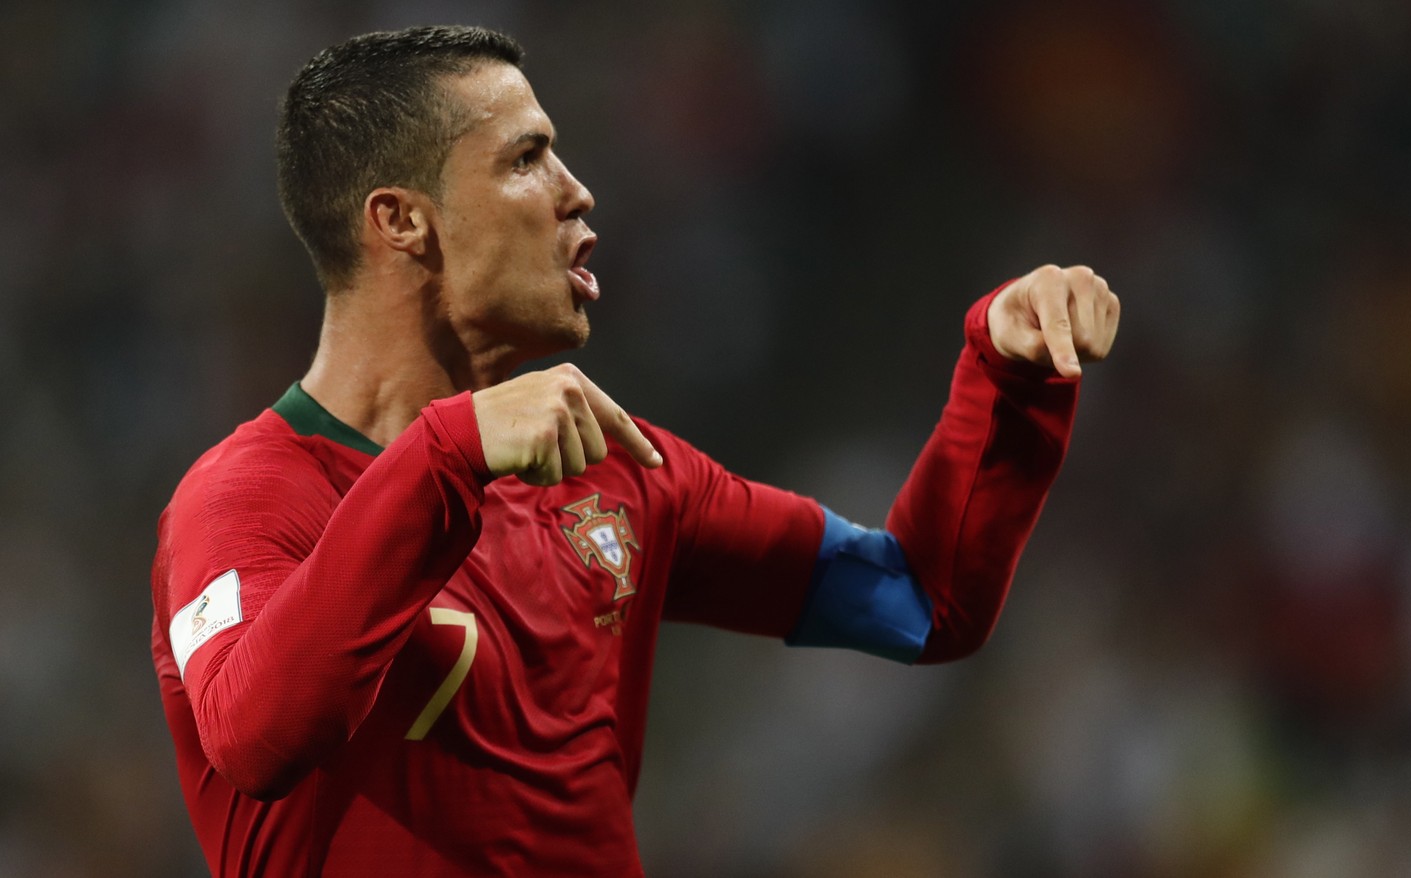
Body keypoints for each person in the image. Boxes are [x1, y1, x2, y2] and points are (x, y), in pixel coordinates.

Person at [149, 24, 1120, 878]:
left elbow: (919, 598)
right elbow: (256, 732)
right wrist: (446, 453)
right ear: (402, 220)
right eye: (528, 158)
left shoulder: (610, 471)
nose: (578, 191)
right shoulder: (245, 496)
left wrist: (1009, 374)